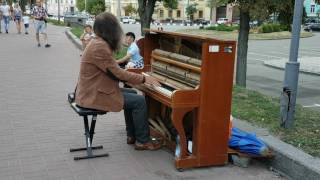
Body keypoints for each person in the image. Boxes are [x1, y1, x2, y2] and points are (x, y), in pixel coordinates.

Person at [75, 12, 162, 151]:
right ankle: (143, 141)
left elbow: (111, 68)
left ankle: (132, 135)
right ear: (110, 30)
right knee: (139, 101)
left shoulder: (97, 42)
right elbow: (118, 73)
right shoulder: (100, 46)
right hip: (93, 95)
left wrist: (125, 71)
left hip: (92, 90)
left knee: (133, 92)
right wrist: (145, 78)